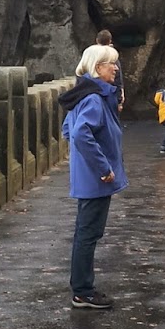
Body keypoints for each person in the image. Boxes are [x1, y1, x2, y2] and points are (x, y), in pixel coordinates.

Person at [59, 44, 128, 308]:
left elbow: (68, 129)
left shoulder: (84, 95)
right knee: (88, 234)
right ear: (98, 67)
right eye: (111, 63)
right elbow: (79, 134)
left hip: (88, 176)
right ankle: (83, 291)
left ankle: (82, 288)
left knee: (85, 232)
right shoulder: (94, 99)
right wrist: (102, 167)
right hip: (96, 178)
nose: (116, 68)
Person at [76, 28, 124, 113]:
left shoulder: (89, 55)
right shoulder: (93, 101)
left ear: (97, 40)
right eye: (112, 64)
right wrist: (119, 99)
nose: (116, 68)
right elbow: (118, 81)